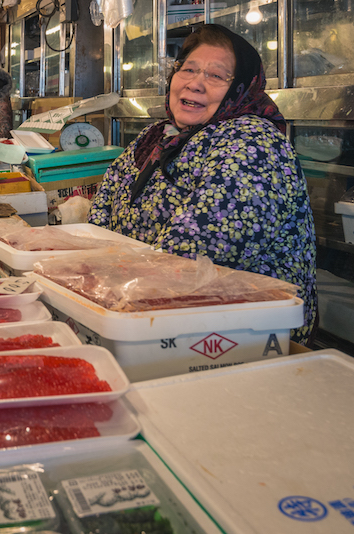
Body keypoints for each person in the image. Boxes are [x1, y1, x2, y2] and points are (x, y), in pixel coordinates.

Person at [87, 24, 318, 344]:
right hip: (147, 315)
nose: (195, 83)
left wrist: (109, 281)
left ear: (241, 88)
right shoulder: (157, 135)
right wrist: (97, 273)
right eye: (189, 69)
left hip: (237, 335)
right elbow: (105, 201)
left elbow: (200, 255)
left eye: (216, 75)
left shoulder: (254, 142)